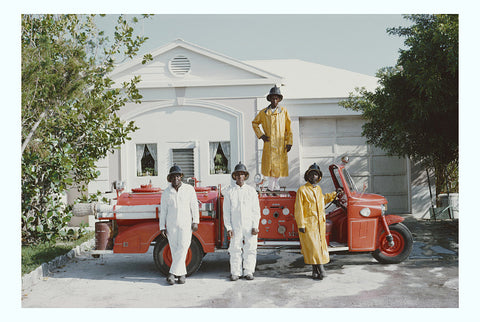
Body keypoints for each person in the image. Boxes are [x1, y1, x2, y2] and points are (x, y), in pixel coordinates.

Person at [294, 163, 339, 280]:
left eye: (316, 174)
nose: (313, 176)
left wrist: (335, 194)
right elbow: (298, 208)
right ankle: (322, 269)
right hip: (309, 224)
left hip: (320, 224)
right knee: (313, 247)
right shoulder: (302, 190)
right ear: (307, 176)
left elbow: (322, 200)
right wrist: (301, 224)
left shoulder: (318, 189)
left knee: (318, 247)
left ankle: (314, 271)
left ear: (318, 177)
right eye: (311, 174)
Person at [159, 164, 199, 285]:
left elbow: (194, 206)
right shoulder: (166, 192)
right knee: (174, 248)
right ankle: (181, 274)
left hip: (186, 224)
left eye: (178, 176)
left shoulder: (189, 189)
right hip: (171, 225)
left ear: (181, 177)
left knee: (183, 247)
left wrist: (196, 221)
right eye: (173, 176)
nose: (176, 179)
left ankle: (171, 273)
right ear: (170, 178)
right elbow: (163, 211)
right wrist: (162, 227)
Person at [223, 162, 261, 281]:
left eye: (242, 174)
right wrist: (228, 228)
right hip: (236, 225)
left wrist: (255, 226)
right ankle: (235, 272)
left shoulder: (251, 191)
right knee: (235, 248)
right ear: (234, 176)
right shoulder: (230, 192)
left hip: (249, 225)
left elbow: (256, 210)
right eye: (238, 174)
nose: (240, 177)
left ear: (245, 176)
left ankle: (248, 271)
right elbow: (226, 212)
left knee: (250, 247)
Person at [252, 85, 293, 191]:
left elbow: (288, 128)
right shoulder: (263, 113)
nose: (274, 100)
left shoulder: (284, 112)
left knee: (279, 166)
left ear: (279, 99)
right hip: (269, 143)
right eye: (273, 98)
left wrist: (289, 142)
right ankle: (271, 186)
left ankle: (275, 185)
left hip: (280, 144)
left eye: (276, 98)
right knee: (270, 166)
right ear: (269, 99)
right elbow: (255, 123)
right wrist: (261, 135)